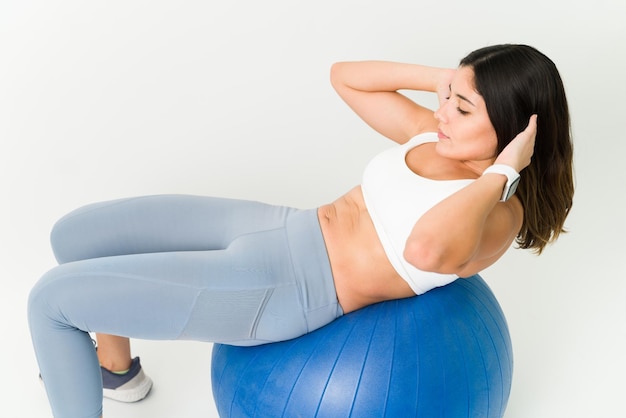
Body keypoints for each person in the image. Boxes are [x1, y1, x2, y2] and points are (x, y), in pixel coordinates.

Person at [28, 44, 574, 418]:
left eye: (462, 106)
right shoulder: (436, 139)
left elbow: (426, 248)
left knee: (51, 302)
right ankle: (116, 373)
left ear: (510, 129)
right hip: (281, 225)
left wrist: (505, 170)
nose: (442, 111)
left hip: (288, 287)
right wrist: (443, 79)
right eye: (447, 98)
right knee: (73, 238)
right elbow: (346, 77)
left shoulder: (499, 210)